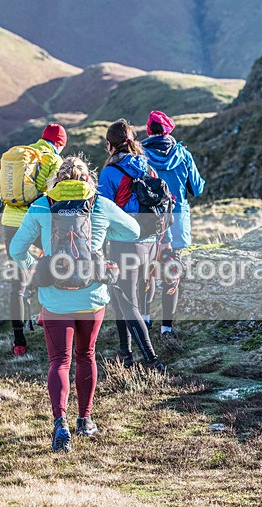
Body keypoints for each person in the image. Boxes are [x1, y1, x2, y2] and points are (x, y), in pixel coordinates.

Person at [10, 155, 140, 453]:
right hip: (92, 295)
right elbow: (133, 231)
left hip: (55, 297)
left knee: (60, 361)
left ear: (57, 180)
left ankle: (60, 425)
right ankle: (85, 420)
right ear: (87, 180)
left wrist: (36, 267)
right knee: (86, 355)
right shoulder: (99, 204)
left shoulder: (43, 205)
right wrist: (105, 236)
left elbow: (16, 247)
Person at [97, 119, 165, 371]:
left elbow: (101, 211)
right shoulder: (146, 165)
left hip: (124, 244)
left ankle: (152, 360)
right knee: (121, 299)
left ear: (109, 144)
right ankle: (124, 353)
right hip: (149, 242)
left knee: (127, 302)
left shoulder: (109, 172)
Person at [1, 124, 67, 356]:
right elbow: (53, 196)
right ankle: (47, 318)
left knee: (16, 286)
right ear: (60, 144)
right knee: (57, 265)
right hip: (36, 223)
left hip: (10, 221)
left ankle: (19, 342)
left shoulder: (23, 156)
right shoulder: (53, 160)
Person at [142, 111, 205, 338]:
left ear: (149, 130)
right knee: (172, 273)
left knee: (147, 271)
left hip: (150, 222)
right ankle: (167, 329)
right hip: (177, 222)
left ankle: (145, 320)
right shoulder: (183, 155)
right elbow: (196, 188)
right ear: (169, 130)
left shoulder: (141, 155)